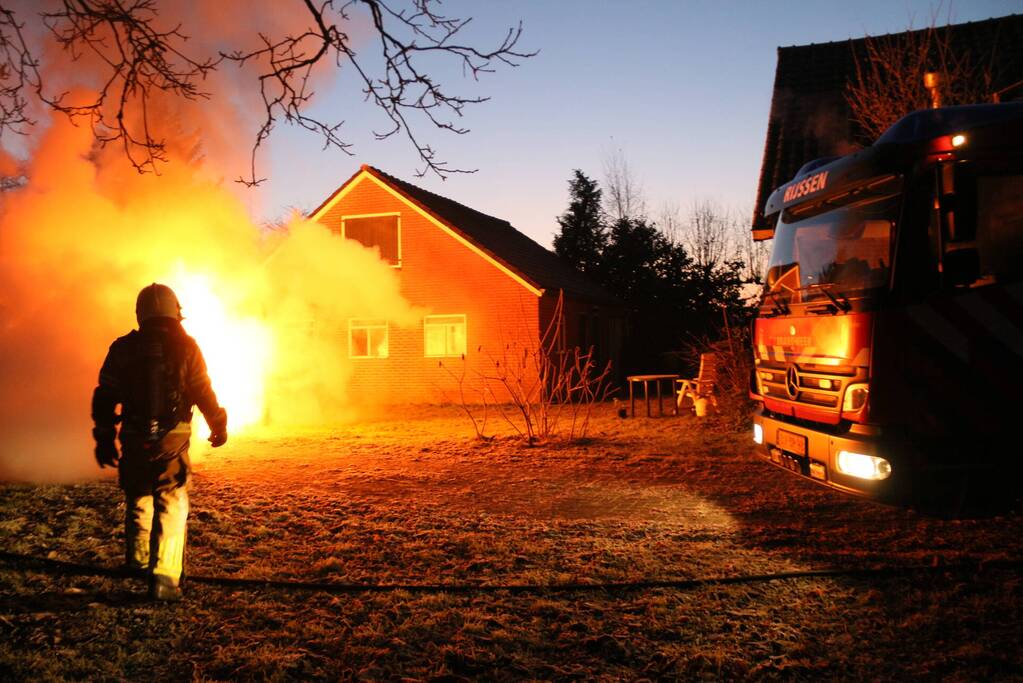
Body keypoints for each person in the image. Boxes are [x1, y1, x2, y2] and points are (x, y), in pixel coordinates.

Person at [91, 283, 227, 601]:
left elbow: (105, 396)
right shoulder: (187, 347)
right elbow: (201, 390)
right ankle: (164, 577)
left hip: (134, 437)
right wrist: (218, 422)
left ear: (141, 314)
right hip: (173, 439)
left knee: (139, 497)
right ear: (174, 311)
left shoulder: (122, 348)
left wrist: (104, 438)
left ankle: (137, 562)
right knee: (172, 500)